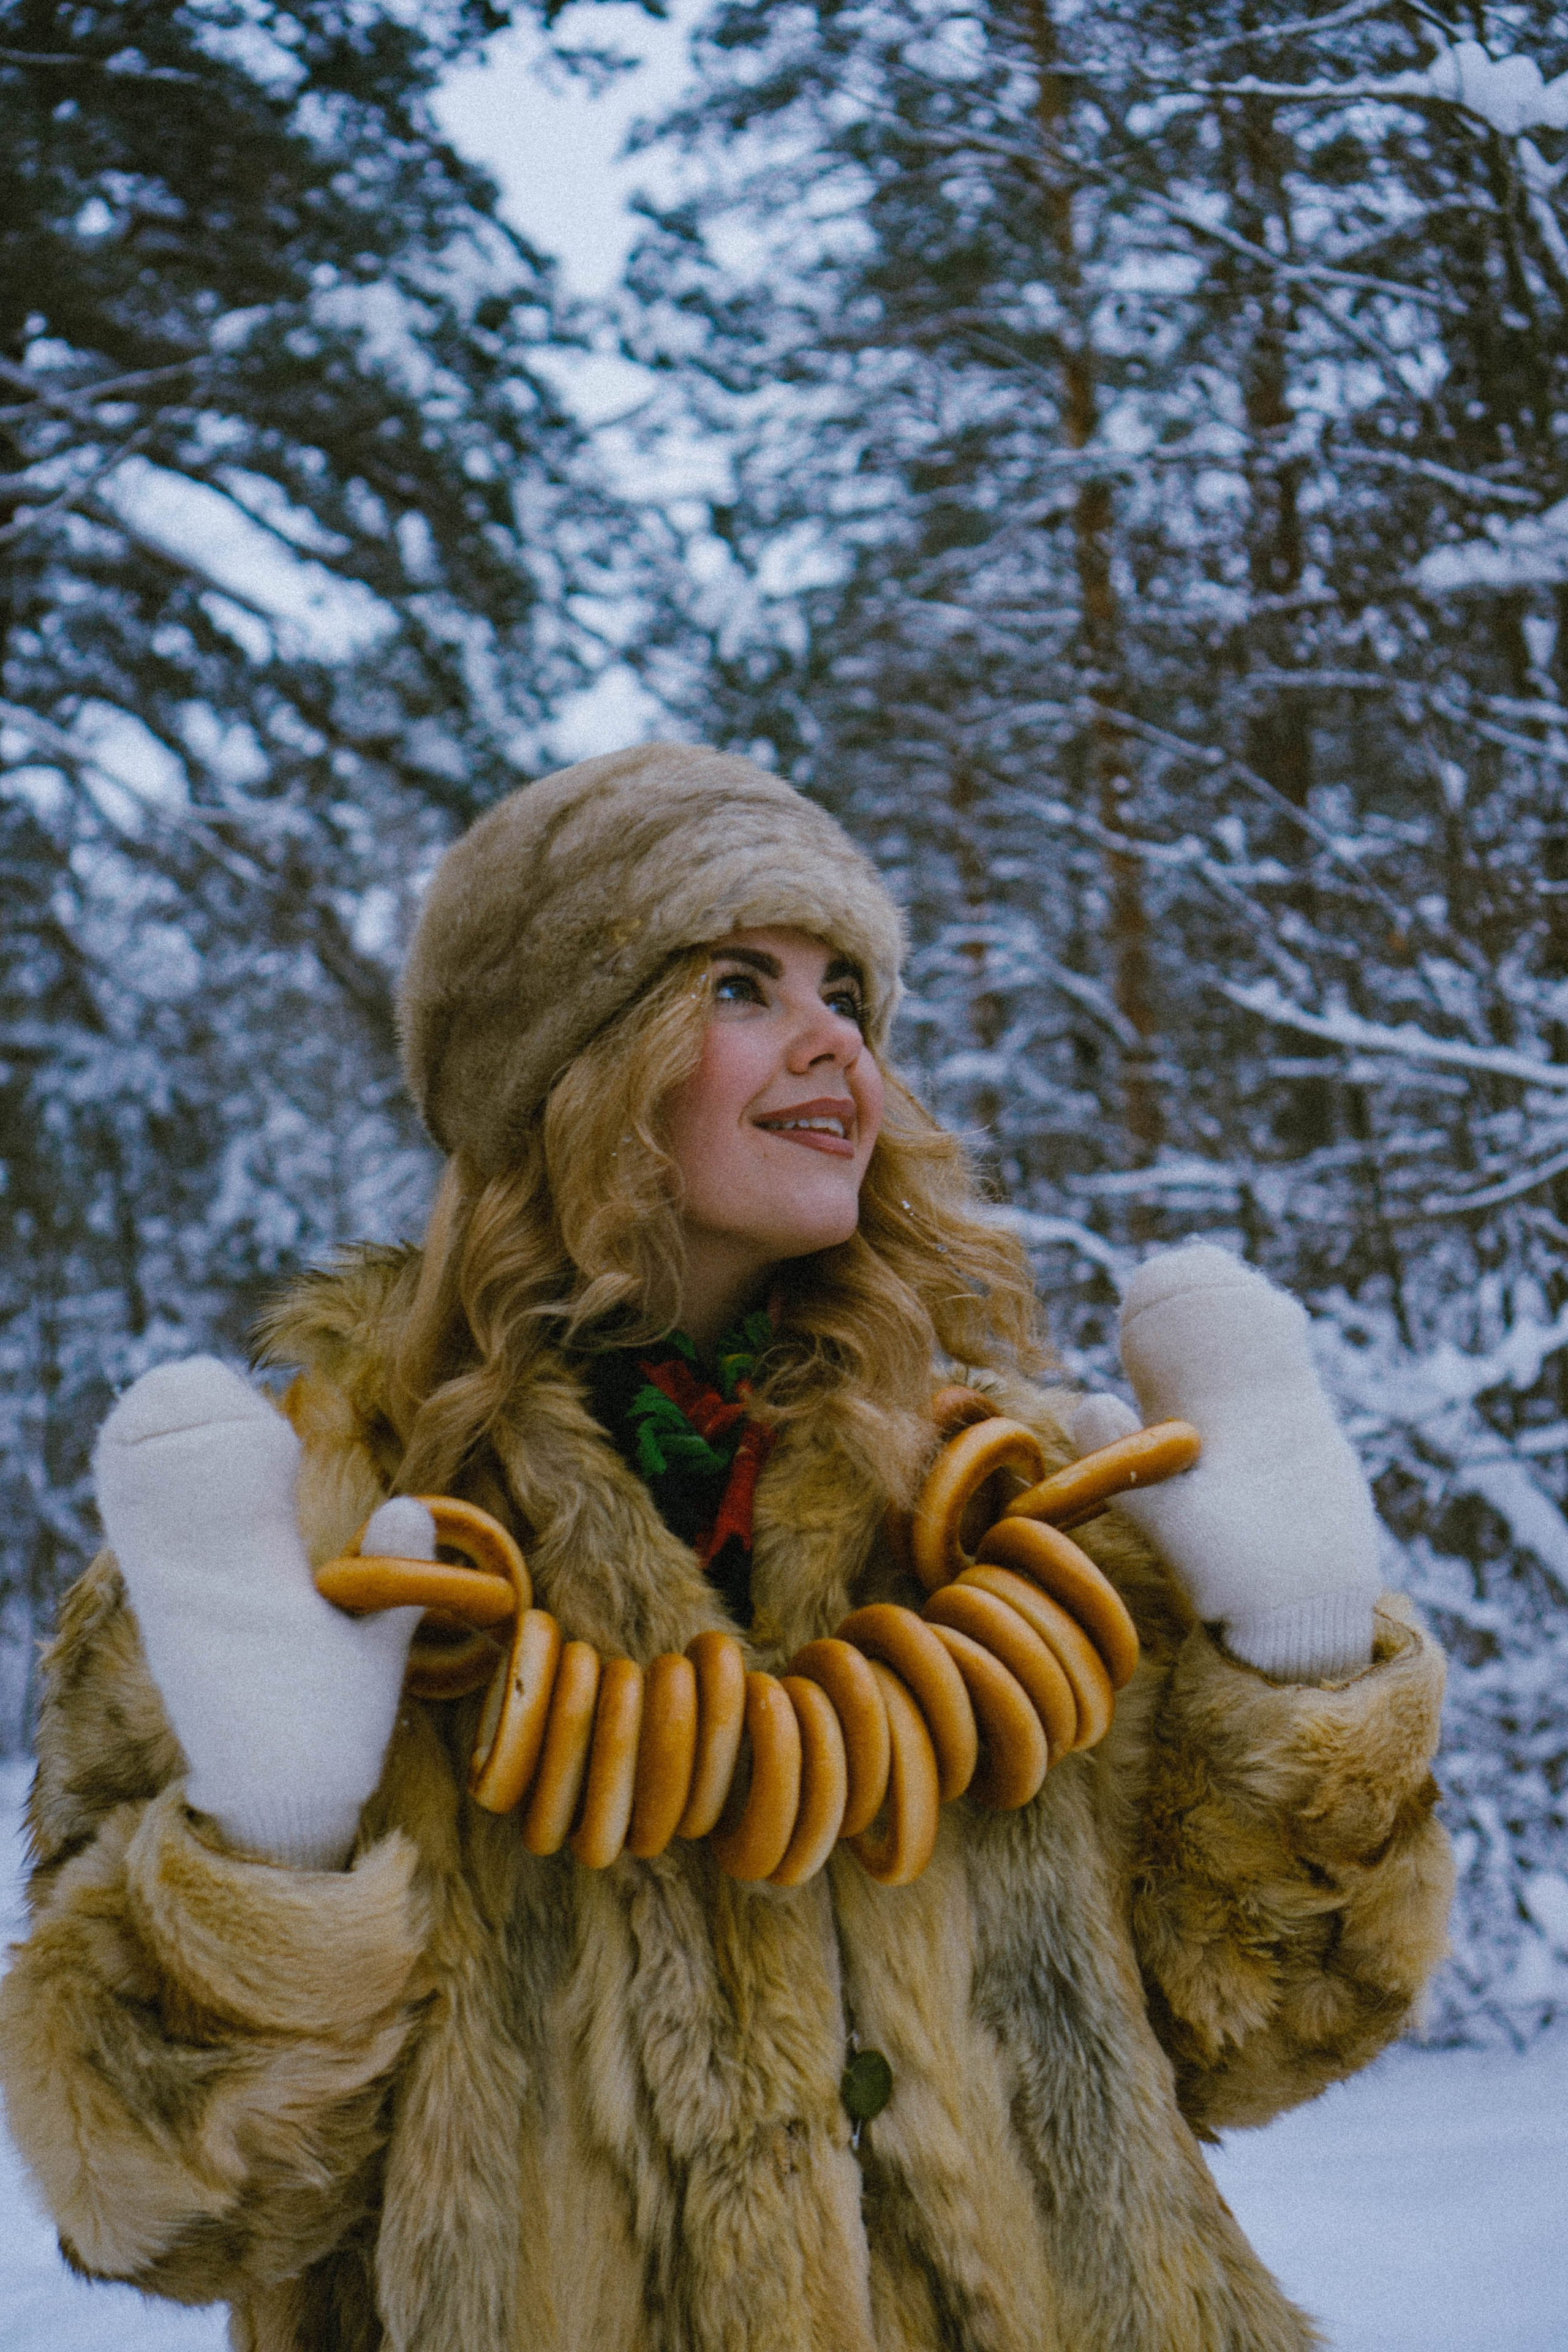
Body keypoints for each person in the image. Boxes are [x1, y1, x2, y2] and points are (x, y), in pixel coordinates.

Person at [0, 744, 1452, 2352]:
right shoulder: (292, 1555)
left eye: (853, 995)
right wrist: (270, 1853)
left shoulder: (1017, 1514)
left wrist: (1302, 1656)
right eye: (744, 987)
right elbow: (166, 2211)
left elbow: (1268, 2030)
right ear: (564, 1064)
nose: (837, 1039)